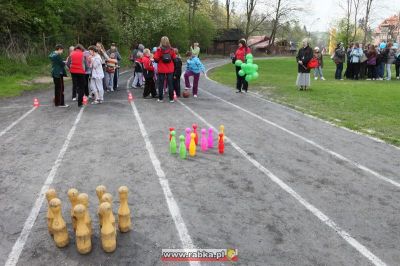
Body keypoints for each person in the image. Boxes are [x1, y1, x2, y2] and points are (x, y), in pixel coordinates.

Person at [153, 36, 177, 103]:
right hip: (170, 69)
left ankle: (160, 98)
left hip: (161, 69)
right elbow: (175, 59)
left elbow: (156, 59)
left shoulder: (159, 50)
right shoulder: (172, 50)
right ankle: (171, 99)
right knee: (170, 84)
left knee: (161, 84)